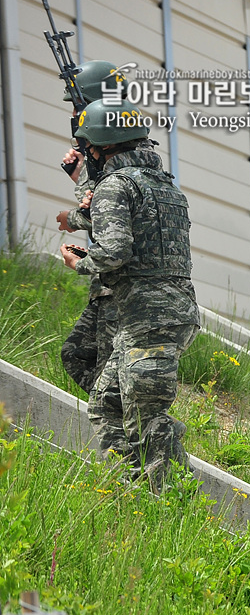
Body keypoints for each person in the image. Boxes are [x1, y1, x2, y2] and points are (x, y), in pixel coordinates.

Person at [60, 99, 197, 489]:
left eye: (89, 147)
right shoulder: (164, 184)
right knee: (107, 403)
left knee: (147, 418)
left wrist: (80, 263)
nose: (87, 154)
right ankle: (127, 489)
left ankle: (169, 503)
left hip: (147, 320)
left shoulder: (115, 186)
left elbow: (116, 252)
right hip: (162, 316)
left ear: (101, 147)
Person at [55, 60, 126, 394]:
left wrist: (71, 221)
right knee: (76, 355)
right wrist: (81, 174)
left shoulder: (121, 153)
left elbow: (100, 212)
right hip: (111, 284)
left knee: (112, 385)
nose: (72, 112)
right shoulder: (114, 150)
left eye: (76, 103)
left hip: (125, 291)